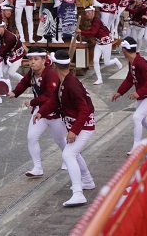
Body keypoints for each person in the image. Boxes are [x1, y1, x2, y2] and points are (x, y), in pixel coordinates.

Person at [33, 51, 96, 207]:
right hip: (78, 123)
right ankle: (87, 180)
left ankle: (78, 193)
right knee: (73, 153)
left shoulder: (72, 84)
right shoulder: (64, 80)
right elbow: (54, 100)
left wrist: (74, 130)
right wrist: (41, 112)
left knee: (68, 154)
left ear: (55, 65)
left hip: (84, 125)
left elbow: (84, 110)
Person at [7, 49, 66, 178]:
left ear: (44, 60)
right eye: (30, 59)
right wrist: (15, 92)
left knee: (59, 139)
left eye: (36, 59)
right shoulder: (32, 73)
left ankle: (67, 158)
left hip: (54, 112)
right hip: (39, 112)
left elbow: (50, 95)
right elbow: (24, 83)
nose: (32, 62)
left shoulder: (50, 74)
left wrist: (33, 101)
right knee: (31, 137)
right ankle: (37, 167)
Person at [111, 37, 147, 153]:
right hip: (144, 94)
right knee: (141, 117)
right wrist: (120, 92)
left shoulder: (142, 63)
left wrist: (139, 92)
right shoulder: (133, 62)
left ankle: (137, 145)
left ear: (124, 50)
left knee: (137, 117)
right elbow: (130, 79)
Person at [77, 5, 122, 85]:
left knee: (106, 63)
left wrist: (81, 32)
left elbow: (93, 32)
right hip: (98, 43)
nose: (87, 14)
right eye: (86, 13)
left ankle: (115, 60)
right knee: (95, 60)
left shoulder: (96, 20)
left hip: (106, 43)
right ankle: (99, 78)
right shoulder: (93, 20)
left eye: (89, 12)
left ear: (93, 12)